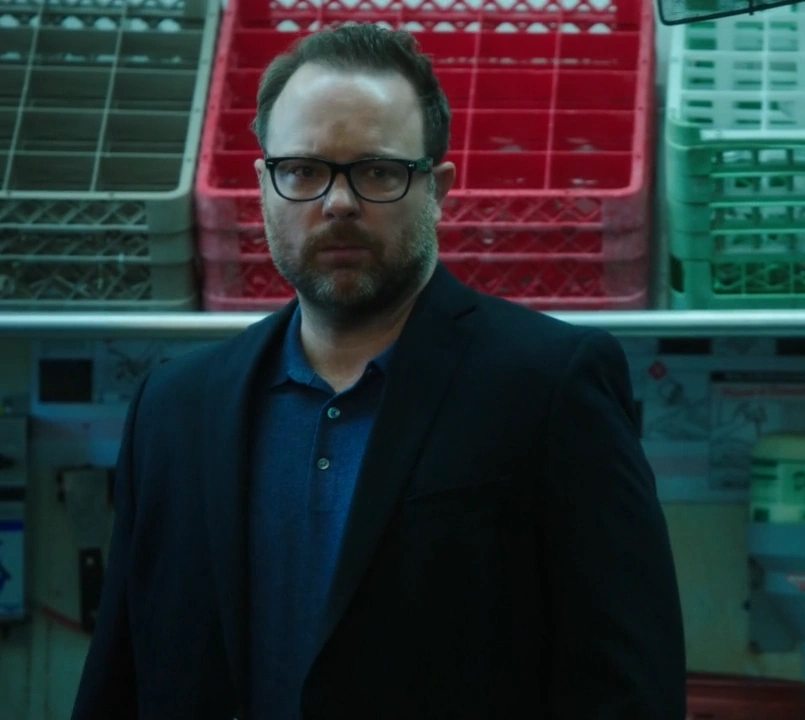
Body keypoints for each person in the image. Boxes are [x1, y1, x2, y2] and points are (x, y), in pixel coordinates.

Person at [71, 23, 687, 720]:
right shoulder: (174, 408)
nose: (338, 202)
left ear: (438, 188)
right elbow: (119, 673)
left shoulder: (550, 386)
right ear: (264, 186)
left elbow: (628, 686)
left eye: (377, 172)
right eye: (303, 170)